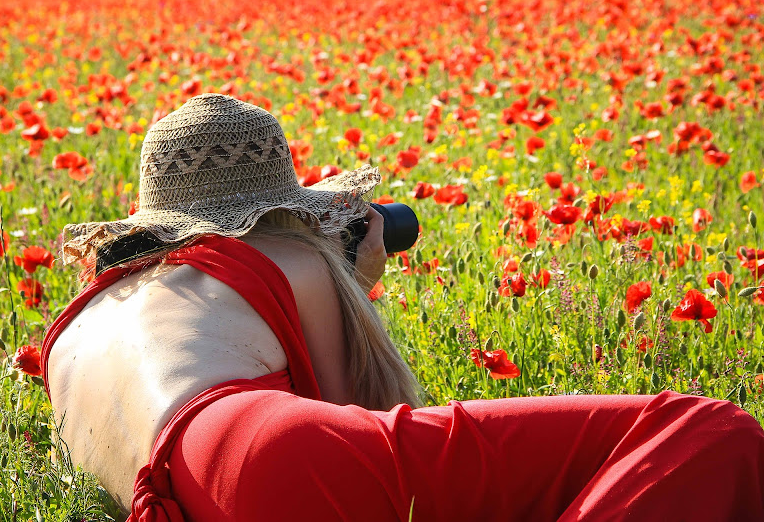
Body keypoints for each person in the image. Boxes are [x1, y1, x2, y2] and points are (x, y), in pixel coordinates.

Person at [42, 94, 764, 522]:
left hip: (192, 492)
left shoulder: (79, 327)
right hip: (262, 453)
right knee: (708, 429)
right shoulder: (285, 257)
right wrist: (344, 278)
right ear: (277, 211)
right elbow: (364, 419)